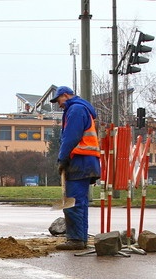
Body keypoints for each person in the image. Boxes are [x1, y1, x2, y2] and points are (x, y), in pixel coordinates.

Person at [50, 86, 101, 250]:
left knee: (73, 202)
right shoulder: (80, 109)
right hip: (86, 161)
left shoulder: (76, 110)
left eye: (59, 101)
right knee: (80, 202)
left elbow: (70, 137)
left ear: (65, 96)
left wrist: (62, 159)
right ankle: (80, 238)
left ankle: (76, 239)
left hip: (80, 161)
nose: (59, 105)